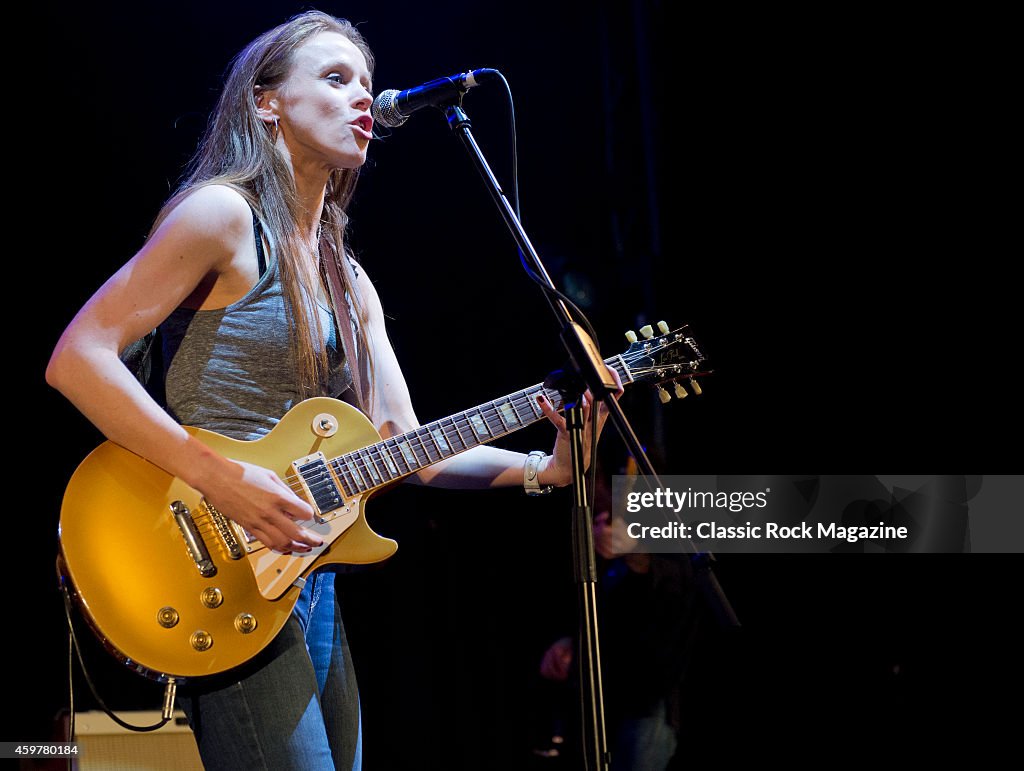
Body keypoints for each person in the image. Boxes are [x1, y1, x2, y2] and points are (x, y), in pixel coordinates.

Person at [46, 10, 619, 770]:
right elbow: (77, 356)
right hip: (205, 549)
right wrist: (224, 477)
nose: (363, 100)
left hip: (305, 576)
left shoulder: (350, 280)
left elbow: (410, 451)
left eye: (368, 85)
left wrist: (543, 468)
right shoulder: (222, 215)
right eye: (336, 78)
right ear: (265, 101)